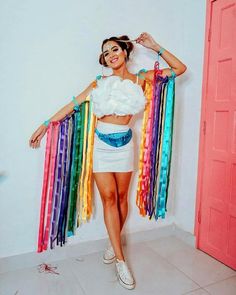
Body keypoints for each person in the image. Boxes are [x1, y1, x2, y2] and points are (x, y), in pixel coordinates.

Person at [29, 32, 187, 290]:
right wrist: (45, 125)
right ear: (103, 59)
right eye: (106, 52)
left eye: (114, 49)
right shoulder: (99, 82)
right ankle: (121, 259)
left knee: (122, 199)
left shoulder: (142, 78)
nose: (110, 55)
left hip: (125, 143)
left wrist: (155, 46)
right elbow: (72, 105)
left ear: (125, 52)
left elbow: (179, 69)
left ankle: (113, 243)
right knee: (110, 199)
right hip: (102, 144)